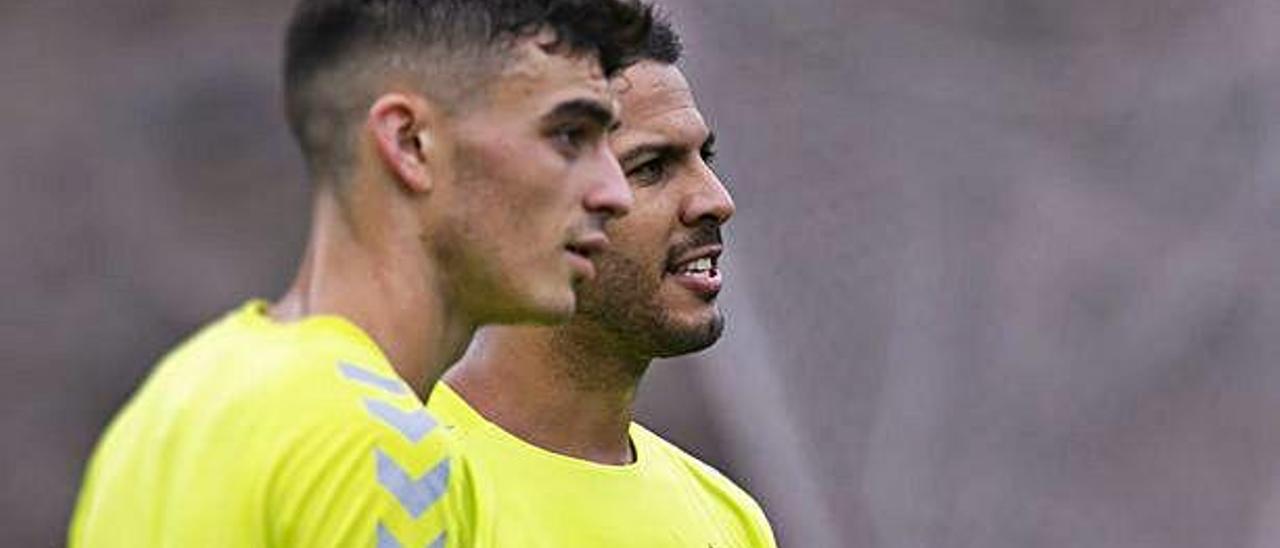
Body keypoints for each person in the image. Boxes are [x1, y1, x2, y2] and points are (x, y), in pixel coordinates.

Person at [69, 1, 654, 546]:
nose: (614, 193)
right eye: (569, 136)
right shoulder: (387, 448)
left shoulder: (172, 400)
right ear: (410, 143)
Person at [429, 20, 778, 547]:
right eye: (651, 167)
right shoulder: (390, 481)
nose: (716, 199)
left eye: (703, 158)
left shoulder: (729, 519)